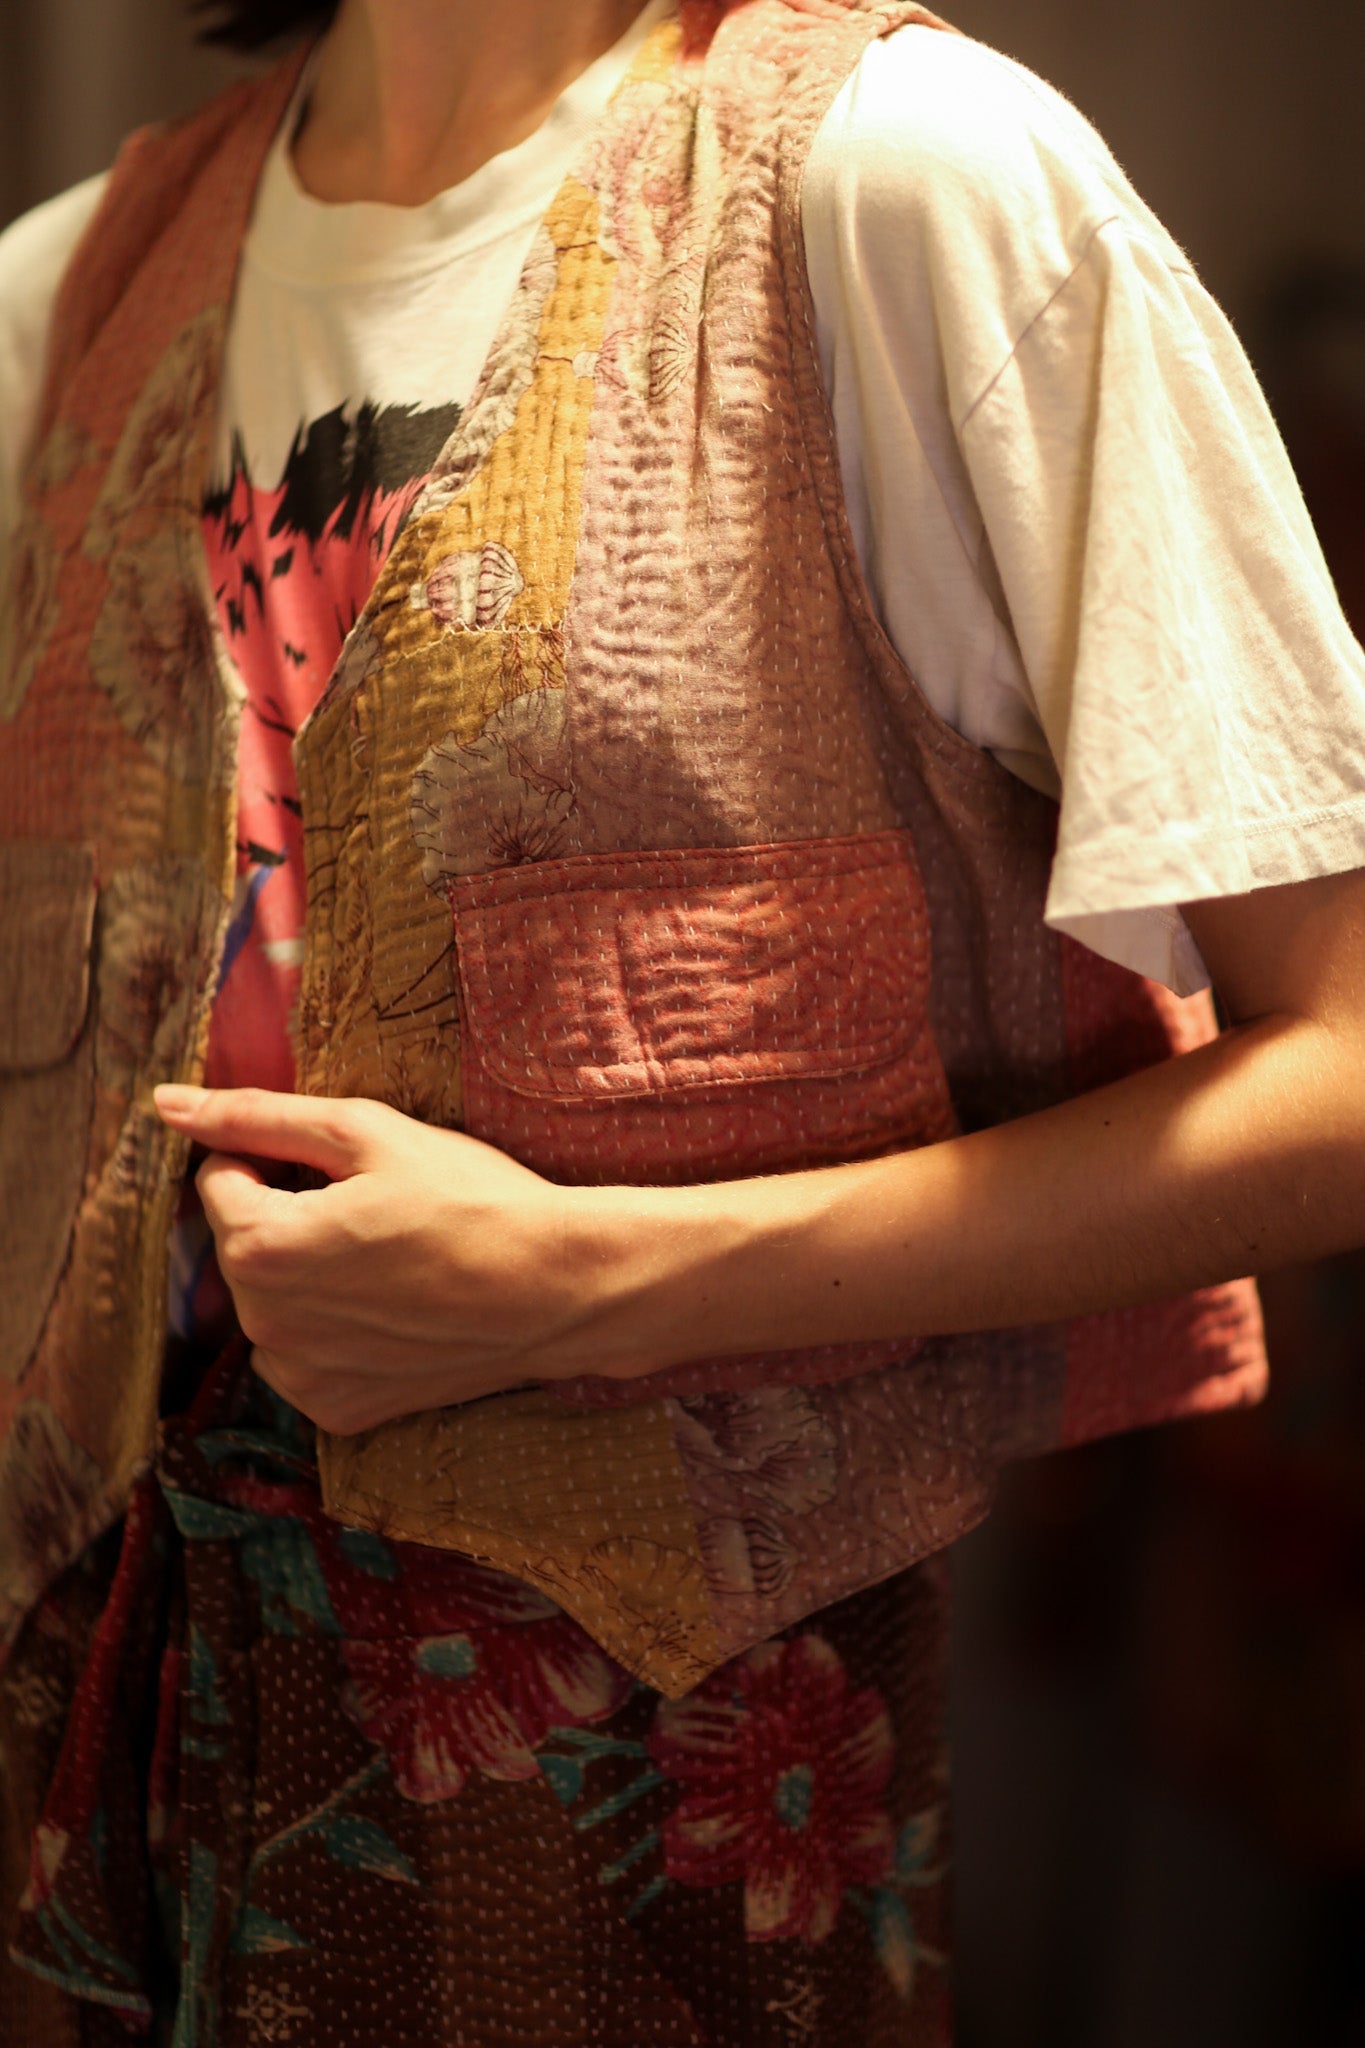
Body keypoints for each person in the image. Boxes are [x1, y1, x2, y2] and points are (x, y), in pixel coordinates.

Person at [1, 0, 1363, 2040]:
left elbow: (1339, 1068)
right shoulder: (72, 295)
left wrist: (595, 1285)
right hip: (88, 1817)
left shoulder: (901, 193)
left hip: (650, 1879)